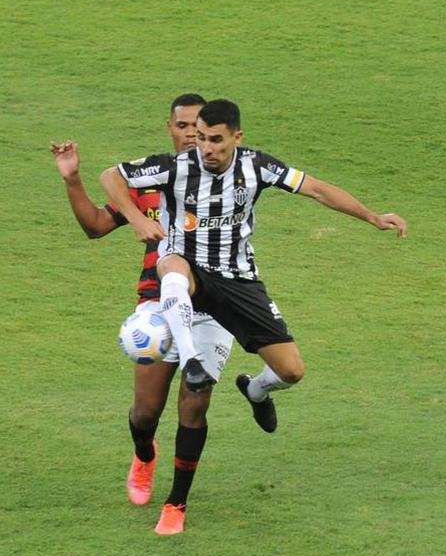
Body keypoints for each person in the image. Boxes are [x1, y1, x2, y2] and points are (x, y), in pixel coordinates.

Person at [100, 98, 406, 451]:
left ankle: (256, 390)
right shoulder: (174, 167)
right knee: (171, 265)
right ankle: (191, 359)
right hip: (188, 269)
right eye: (200, 138)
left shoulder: (258, 167)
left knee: (291, 371)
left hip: (237, 278)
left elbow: (318, 189)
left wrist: (373, 217)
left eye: (215, 139)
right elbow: (111, 176)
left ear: (237, 137)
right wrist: (137, 219)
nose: (205, 148)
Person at [50, 94, 234, 536]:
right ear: (170, 130)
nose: (192, 133)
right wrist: (73, 179)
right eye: (183, 126)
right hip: (158, 305)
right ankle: (145, 454)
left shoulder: (231, 179)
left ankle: (177, 504)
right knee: (145, 412)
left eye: (199, 126)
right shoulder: (151, 182)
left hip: (214, 306)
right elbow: (96, 226)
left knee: (195, 401)